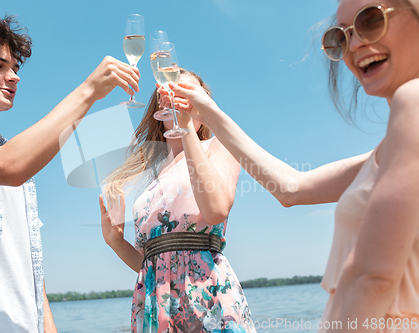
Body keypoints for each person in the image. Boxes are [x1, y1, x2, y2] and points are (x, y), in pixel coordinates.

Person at [163, 0, 419, 332]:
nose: (355, 44)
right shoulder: (389, 153)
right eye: (340, 38)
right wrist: (208, 112)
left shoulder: (412, 100)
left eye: (371, 20)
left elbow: (373, 276)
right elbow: (290, 188)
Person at [0, 10, 139, 333]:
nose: (14, 77)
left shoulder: (18, 167)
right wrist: (89, 90)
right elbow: (9, 167)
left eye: (15, 68)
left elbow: (30, 273)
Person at [99, 70, 257, 332]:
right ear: (159, 104)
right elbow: (152, 265)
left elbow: (216, 210)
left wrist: (186, 129)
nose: (178, 100)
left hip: (207, 298)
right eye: (172, 93)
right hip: (156, 304)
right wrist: (116, 242)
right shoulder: (154, 175)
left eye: (188, 95)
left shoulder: (219, 147)